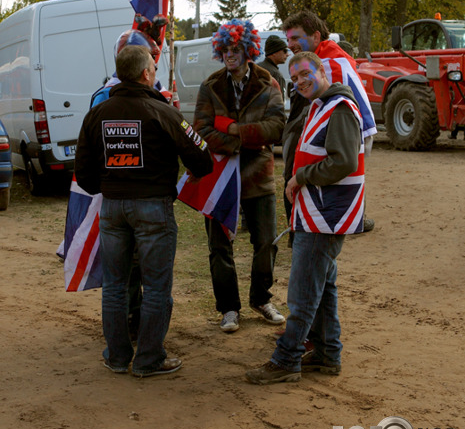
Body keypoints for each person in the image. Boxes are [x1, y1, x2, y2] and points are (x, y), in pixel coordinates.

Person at [74, 44, 213, 377]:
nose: (155, 70)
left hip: (112, 209)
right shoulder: (163, 111)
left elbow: (83, 172)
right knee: (155, 287)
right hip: (153, 208)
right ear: (145, 74)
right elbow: (202, 160)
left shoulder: (97, 113)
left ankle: (118, 357)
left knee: (115, 286)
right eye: (153, 65)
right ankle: (149, 360)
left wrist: (110, 186)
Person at [246, 52, 365, 384]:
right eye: (294, 78)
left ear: (321, 70)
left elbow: (343, 162)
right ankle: (328, 353)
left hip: (325, 216)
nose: (299, 82)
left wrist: (301, 177)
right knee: (323, 287)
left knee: (303, 291)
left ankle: (287, 359)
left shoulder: (338, 108)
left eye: (304, 74)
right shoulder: (322, 106)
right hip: (318, 213)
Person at [193, 19, 286, 333]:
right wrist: (245, 140)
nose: (230, 55)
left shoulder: (268, 82)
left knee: (266, 242)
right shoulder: (210, 85)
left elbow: (277, 127)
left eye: (236, 49)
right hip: (219, 177)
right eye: (225, 49)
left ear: (248, 48)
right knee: (219, 246)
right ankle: (229, 308)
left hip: (259, 174)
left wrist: (231, 128)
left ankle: (261, 299)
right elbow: (202, 130)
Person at [281, 10, 377, 236]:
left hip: (346, 135)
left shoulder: (326, 63)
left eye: (295, 38)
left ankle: (310, 230)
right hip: (356, 133)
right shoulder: (333, 56)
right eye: (288, 40)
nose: (291, 45)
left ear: (315, 36)